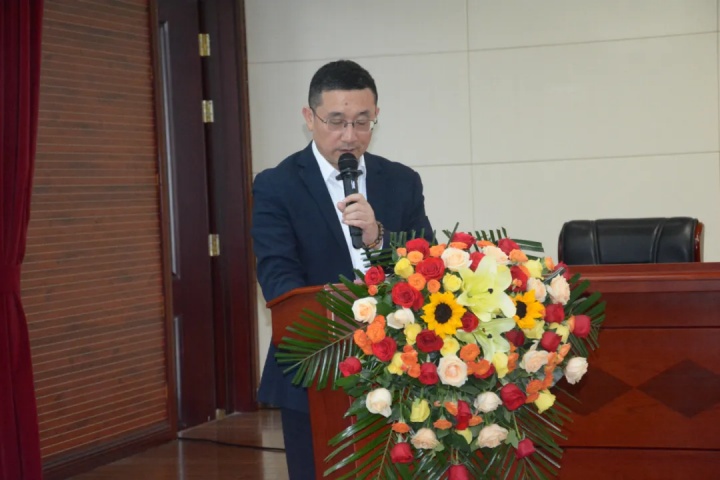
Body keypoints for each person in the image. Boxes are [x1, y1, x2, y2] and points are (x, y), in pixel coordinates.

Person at [251, 59, 433, 480]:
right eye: (336, 121)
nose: (350, 136)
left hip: (398, 362)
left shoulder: (401, 181)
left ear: (376, 117)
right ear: (309, 118)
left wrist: (378, 237)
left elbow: (426, 264)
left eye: (362, 122)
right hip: (315, 365)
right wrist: (338, 326)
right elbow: (277, 277)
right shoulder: (277, 185)